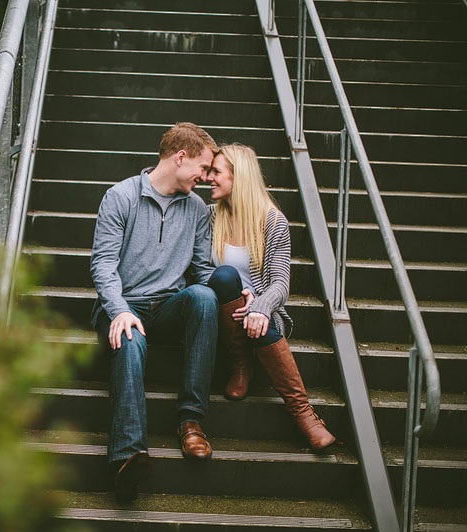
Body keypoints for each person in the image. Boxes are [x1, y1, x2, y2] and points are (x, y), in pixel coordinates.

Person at [90, 122, 219, 501]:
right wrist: (118, 310)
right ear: (181, 157)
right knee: (129, 337)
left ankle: (191, 421)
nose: (206, 177)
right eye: (204, 167)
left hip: (166, 308)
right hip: (122, 306)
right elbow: (102, 266)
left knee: (204, 297)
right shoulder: (121, 196)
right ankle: (129, 455)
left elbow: (202, 270)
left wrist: (242, 290)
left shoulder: (196, 208)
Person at [205, 143, 335, 451]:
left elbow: (280, 284)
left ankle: (303, 412)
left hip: (258, 317)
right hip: (220, 307)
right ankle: (240, 365)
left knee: (258, 314)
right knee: (224, 277)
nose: (208, 177)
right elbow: (197, 269)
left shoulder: (273, 221)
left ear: (240, 177)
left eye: (216, 172)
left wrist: (259, 306)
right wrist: (239, 295)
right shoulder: (209, 216)